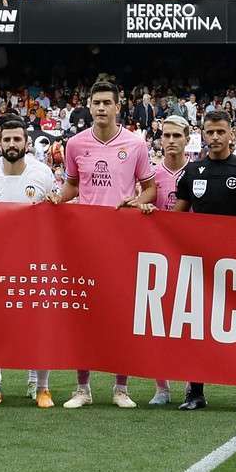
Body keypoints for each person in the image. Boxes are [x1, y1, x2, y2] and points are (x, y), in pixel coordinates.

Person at [51, 76, 156, 409]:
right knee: (85, 314)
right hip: (85, 241)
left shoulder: (136, 144)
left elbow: (150, 188)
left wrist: (137, 203)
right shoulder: (76, 144)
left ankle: (120, 387)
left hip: (122, 241)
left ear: (117, 105)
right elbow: (72, 186)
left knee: (120, 314)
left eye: (106, 102)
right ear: (89, 106)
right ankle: (82, 388)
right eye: (96, 103)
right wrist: (57, 199)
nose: (100, 108)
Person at [171, 109, 236, 411]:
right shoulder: (193, 171)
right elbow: (177, 215)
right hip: (201, 262)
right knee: (199, 326)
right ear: (202, 134)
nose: (216, 137)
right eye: (210, 132)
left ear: (231, 133)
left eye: (221, 131)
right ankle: (195, 392)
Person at [0, 115, 62, 409]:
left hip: (33, 258)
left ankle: (42, 388)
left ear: (27, 143)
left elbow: (57, 213)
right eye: (7, 139)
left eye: (17, 139)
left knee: (38, 322)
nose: (12, 144)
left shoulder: (42, 173)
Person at [140, 114, 192, 405]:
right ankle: (162, 387)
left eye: (177, 136)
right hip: (159, 257)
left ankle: (189, 384)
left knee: (187, 325)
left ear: (187, 138)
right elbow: (143, 205)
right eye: (167, 136)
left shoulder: (197, 172)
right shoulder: (153, 176)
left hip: (190, 257)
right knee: (157, 323)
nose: (171, 141)